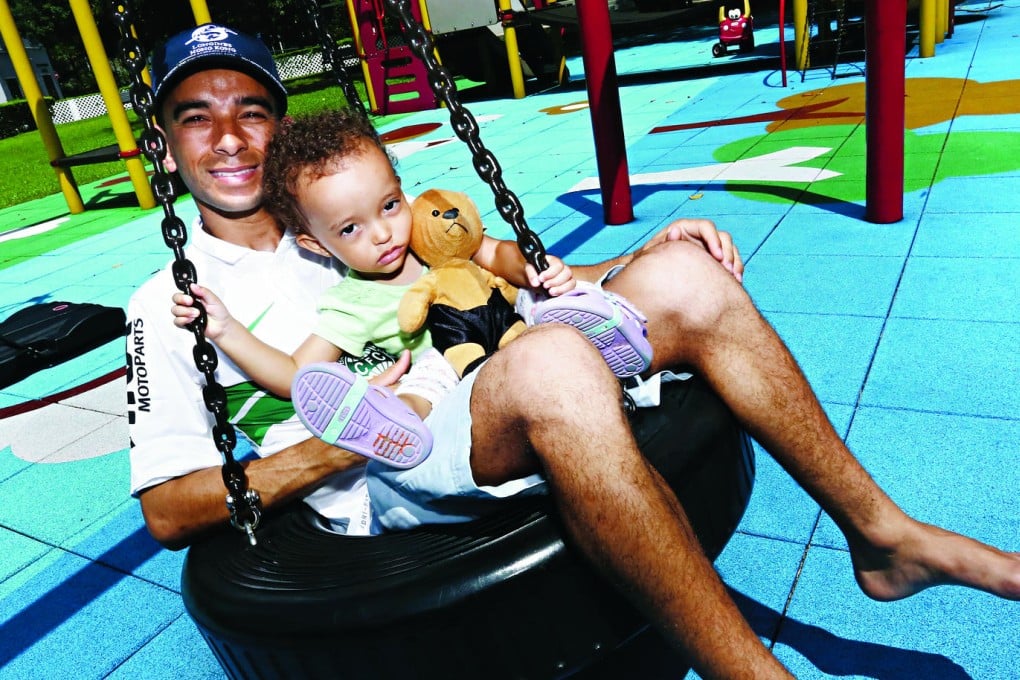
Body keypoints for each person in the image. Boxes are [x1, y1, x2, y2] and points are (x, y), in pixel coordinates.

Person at [128, 23, 1020, 678]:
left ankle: (883, 535)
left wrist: (638, 259)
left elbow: (499, 268)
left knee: (685, 280)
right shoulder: (169, 302)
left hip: (480, 379)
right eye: (197, 116)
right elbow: (168, 511)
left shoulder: (347, 209)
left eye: (251, 109)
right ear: (163, 146)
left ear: (281, 130)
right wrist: (335, 445)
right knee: (550, 365)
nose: (232, 133)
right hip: (393, 467)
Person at [169, 108, 649, 469]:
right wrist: (227, 331)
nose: (383, 233)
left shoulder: (426, 231)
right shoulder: (353, 302)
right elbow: (298, 371)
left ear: (402, 190)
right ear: (316, 245)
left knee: (539, 299)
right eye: (350, 230)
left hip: (507, 318)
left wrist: (534, 269)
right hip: (457, 371)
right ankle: (393, 428)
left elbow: (491, 252)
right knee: (424, 382)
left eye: (390, 205)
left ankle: (608, 325)